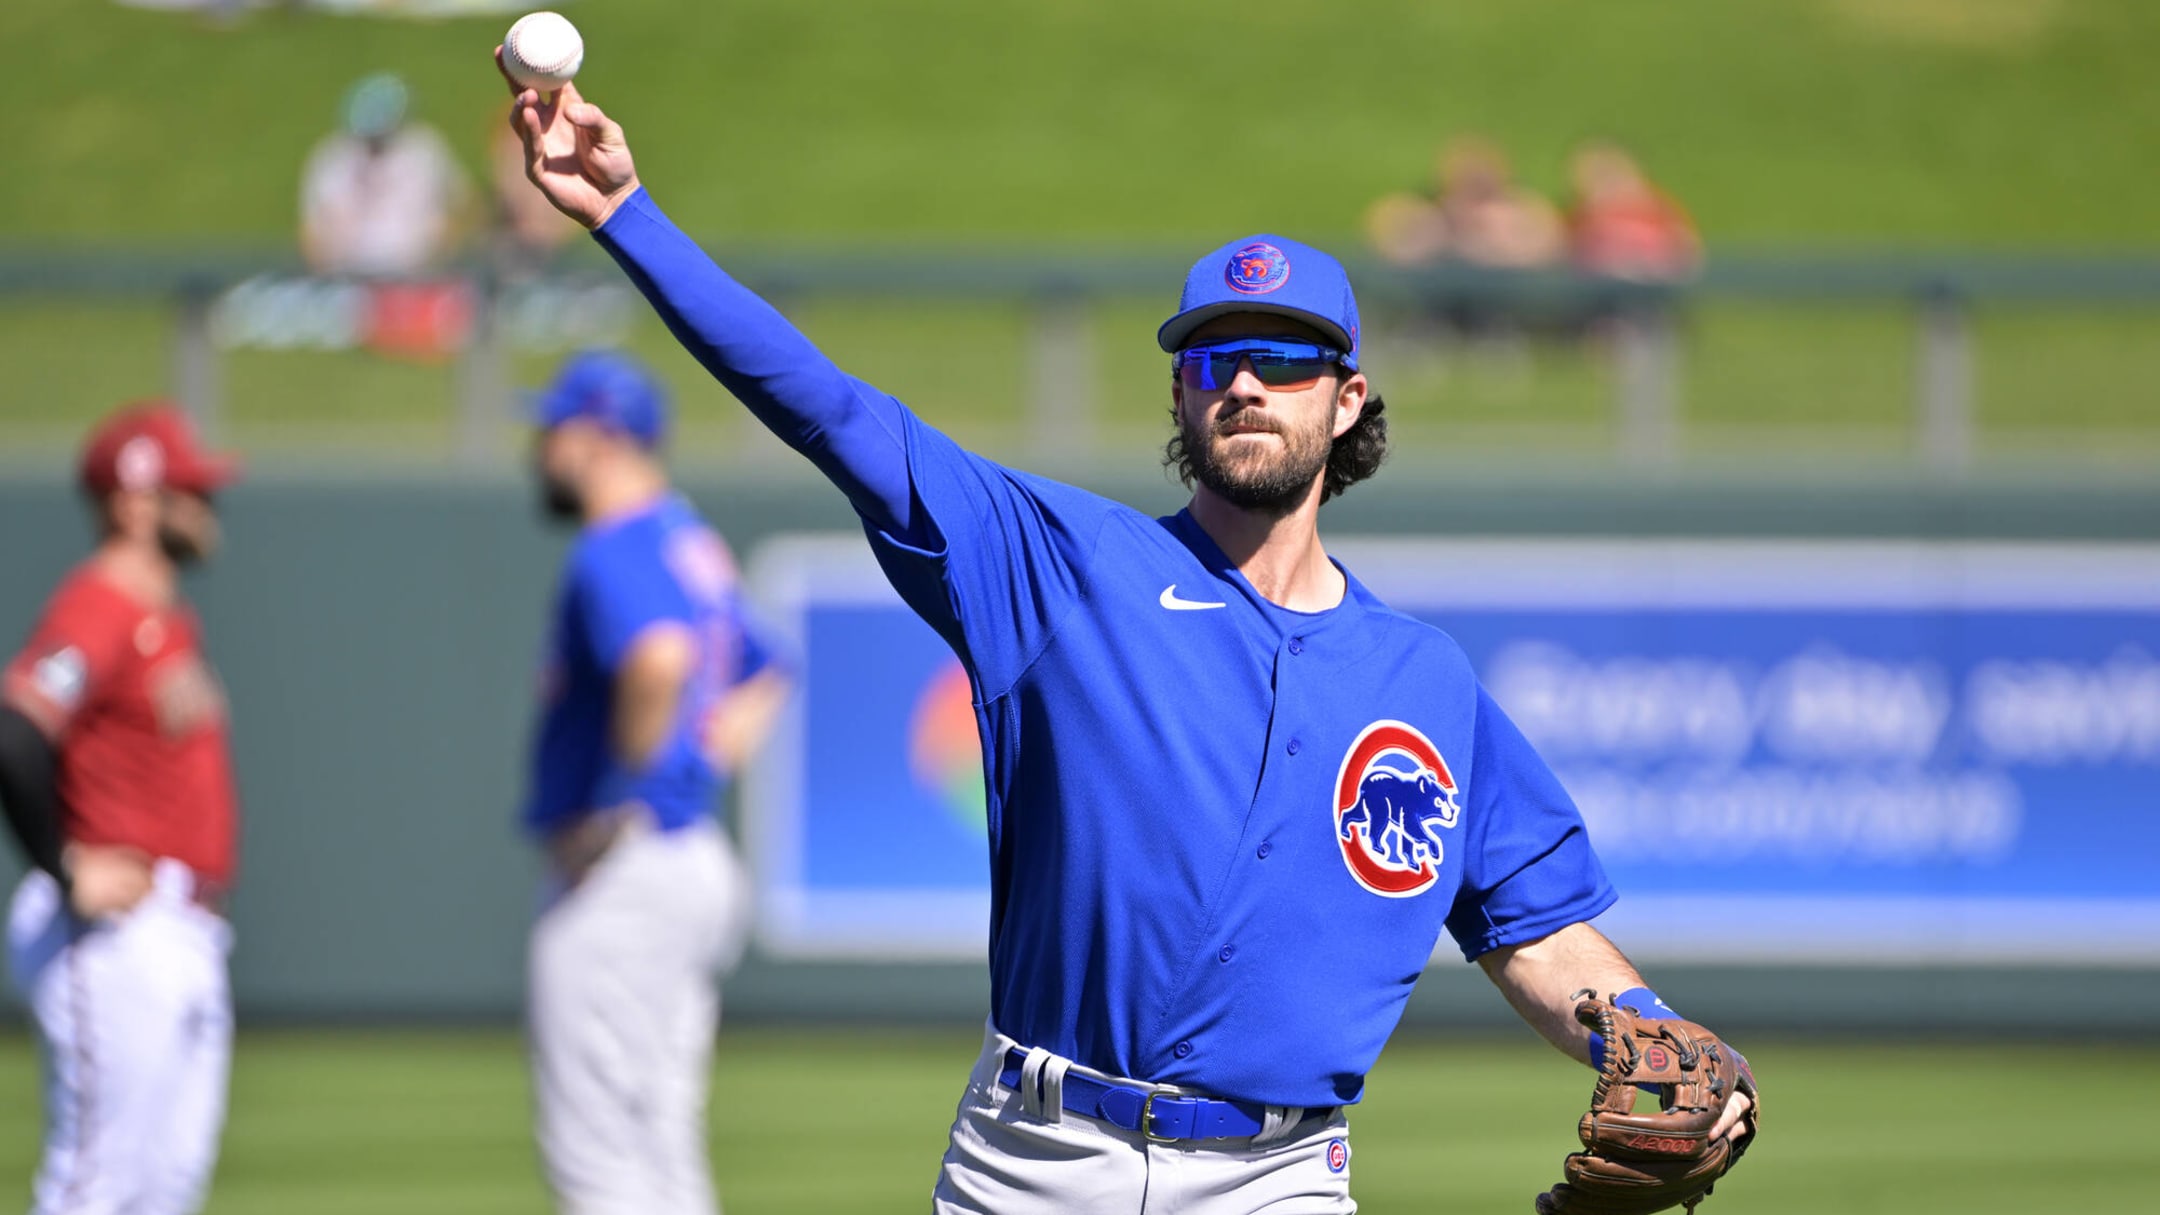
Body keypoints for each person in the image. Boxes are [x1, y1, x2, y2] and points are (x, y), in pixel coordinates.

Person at [497, 54, 1756, 1214]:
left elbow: (1534, 925)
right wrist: (624, 216)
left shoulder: (1423, 680)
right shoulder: (1060, 568)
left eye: (1284, 356)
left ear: (1351, 396)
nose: (1246, 381)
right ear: (1180, 393)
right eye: (1213, 358)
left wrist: (1657, 1033)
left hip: (1282, 1179)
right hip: (1034, 1162)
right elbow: (830, 412)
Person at [519, 349, 791, 1215]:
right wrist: (705, 754)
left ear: (598, 438)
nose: (541, 448)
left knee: (601, 1157)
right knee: (662, 1140)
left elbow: (660, 657)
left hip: (629, 865)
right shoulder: (686, 538)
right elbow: (767, 661)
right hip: (692, 856)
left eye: (553, 428)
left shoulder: (619, 545)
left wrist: (625, 791)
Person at [0, 401, 243, 1215]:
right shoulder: (99, 605)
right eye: (191, 489)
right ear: (137, 501)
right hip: (113, 933)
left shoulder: (163, 616)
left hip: (182, 926)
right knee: (95, 1188)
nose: (210, 504)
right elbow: (15, 732)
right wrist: (63, 864)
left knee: (161, 1190)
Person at [300, 72, 473, 277]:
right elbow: (312, 232)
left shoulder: (424, 150)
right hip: (351, 279)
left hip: (418, 276)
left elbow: (465, 207)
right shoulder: (331, 158)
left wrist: (439, 250)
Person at [1564, 140, 1701, 282]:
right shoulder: (1582, 216)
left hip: (1648, 283)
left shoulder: (1654, 209)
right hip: (1597, 286)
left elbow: (1686, 251)